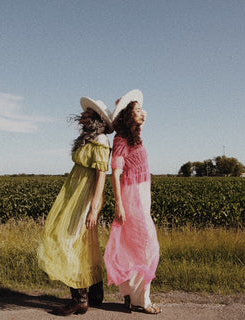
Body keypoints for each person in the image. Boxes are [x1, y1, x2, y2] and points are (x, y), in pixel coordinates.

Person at [37, 96, 113, 316]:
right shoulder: (89, 139)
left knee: (68, 241)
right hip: (75, 194)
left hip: (85, 196)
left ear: (97, 119)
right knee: (83, 242)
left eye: (88, 115)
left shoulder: (100, 140)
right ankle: (96, 294)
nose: (82, 117)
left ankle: (80, 299)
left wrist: (93, 207)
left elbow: (101, 175)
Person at [104, 89, 162, 314]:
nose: (143, 113)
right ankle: (142, 301)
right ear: (128, 115)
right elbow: (115, 173)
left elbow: (143, 116)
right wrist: (119, 204)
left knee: (133, 248)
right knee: (146, 248)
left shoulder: (134, 136)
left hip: (141, 196)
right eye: (137, 111)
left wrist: (133, 107)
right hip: (130, 197)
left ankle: (130, 296)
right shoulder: (120, 140)